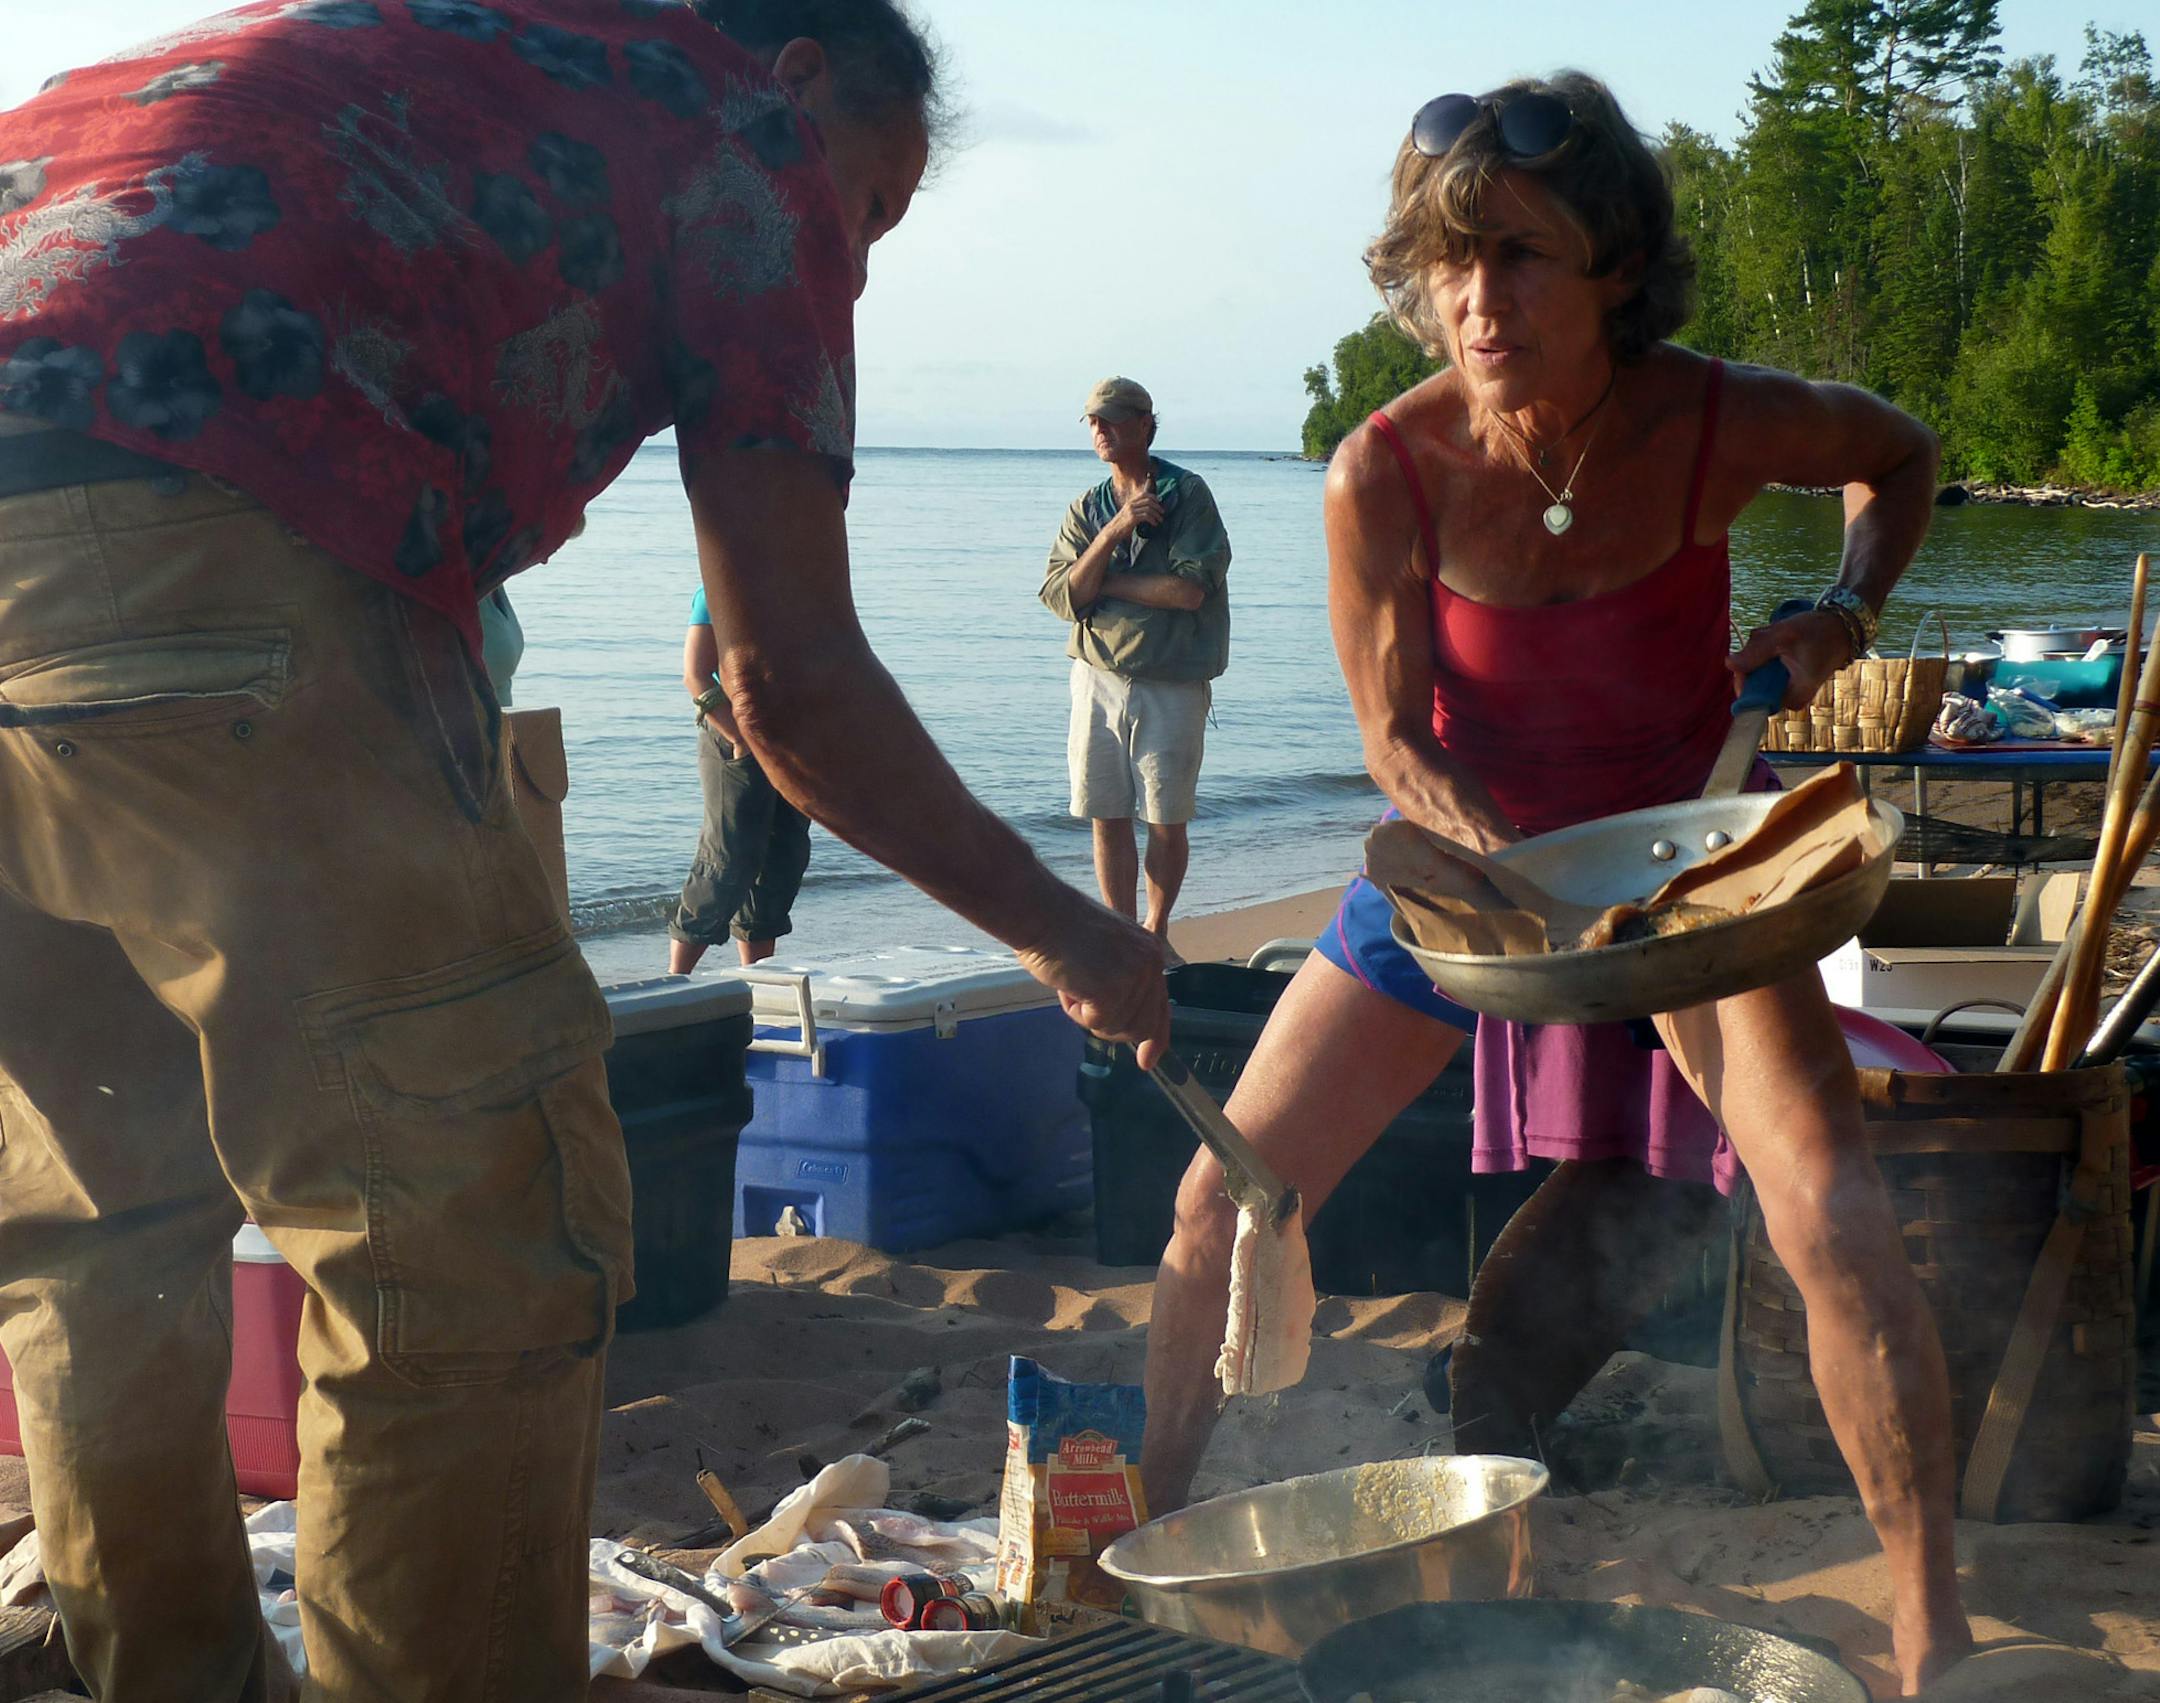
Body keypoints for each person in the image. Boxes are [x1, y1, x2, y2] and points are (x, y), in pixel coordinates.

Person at [0, 4, 1167, 1699]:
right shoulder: (743, 137)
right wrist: (1067, 930)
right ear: (795, 82)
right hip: (206, 544)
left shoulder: (441, 48)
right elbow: (796, 685)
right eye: (877, 200)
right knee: (459, 1247)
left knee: (104, 1217)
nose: (856, 251)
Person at [1138, 73, 1972, 1696]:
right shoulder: (1383, 466)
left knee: (1840, 1222)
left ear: (1611, 265)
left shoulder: (1719, 420)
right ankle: (1139, 1554)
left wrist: (1845, 609)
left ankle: (1936, 1627)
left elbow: (1902, 455)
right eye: (1445, 264)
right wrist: (1459, 822)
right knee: (1216, 1192)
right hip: (1470, 881)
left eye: (1518, 256)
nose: (1475, 299)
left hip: (1687, 871)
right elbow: (1389, 731)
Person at [1041, 377, 1231, 959]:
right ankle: (1119, 933)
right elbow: (1058, 595)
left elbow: (1189, 591)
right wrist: (1117, 531)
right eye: (1094, 420)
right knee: (1106, 812)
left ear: (1147, 424)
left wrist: (1103, 584)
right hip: (1096, 678)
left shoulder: (1186, 494)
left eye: (1115, 419)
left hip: (1171, 680)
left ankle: (1156, 928)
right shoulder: (1088, 507)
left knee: (1166, 818)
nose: (1102, 429)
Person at [669, 582, 813, 971]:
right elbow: (695, 675)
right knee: (728, 858)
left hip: (793, 740)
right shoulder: (718, 589)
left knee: (784, 856)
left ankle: (758, 978)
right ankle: (675, 981)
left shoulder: (809, 586)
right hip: (734, 736)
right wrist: (739, 739)